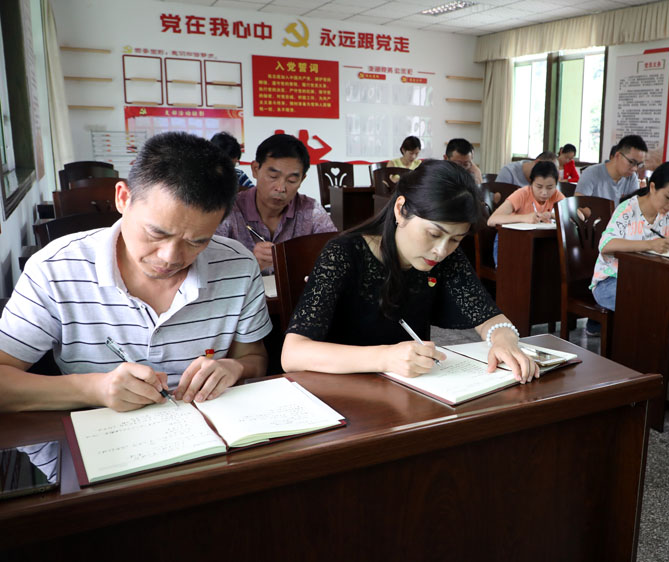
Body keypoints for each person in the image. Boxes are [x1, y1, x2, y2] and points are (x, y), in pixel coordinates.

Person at [0, 132, 271, 412]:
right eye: (156, 233)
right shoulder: (54, 269)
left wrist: (234, 367)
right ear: (123, 198)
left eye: (196, 242)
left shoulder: (238, 266)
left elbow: (254, 358)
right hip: (98, 430)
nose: (170, 257)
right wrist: (94, 389)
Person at [281, 159, 538, 382]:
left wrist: (504, 340)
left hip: (410, 390)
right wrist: (385, 358)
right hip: (341, 392)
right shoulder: (342, 253)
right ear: (401, 209)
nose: (441, 250)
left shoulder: (446, 257)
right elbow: (292, 354)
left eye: (455, 239)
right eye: (434, 234)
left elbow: (489, 316)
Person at [589, 162, 669, 411]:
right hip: (611, 282)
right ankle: (650, 379)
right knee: (656, 310)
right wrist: (649, 244)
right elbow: (606, 245)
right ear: (652, 187)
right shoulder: (628, 209)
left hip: (651, 284)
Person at [215, 133, 337, 274]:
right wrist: (249, 263)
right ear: (255, 169)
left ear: (302, 180)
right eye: (273, 176)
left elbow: (336, 256)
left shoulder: (311, 211)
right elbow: (208, 266)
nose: (281, 188)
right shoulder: (228, 210)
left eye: (291, 180)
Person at [487, 161, 564, 264]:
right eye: (539, 187)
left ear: (556, 185)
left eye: (550, 187)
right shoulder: (522, 193)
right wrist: (524, 218)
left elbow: (576, 217)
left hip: (536, 244)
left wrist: (553, 215)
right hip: (510, 242)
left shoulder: (556, 195)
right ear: (531, 183)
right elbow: (492, 220)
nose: (544, 192)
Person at [576, 135, 647, 202]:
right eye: (631, 162)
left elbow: (633, 207)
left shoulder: (631, 178)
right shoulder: (591, 173)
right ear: (618, 156)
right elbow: (579, 205)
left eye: (639, 164)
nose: (635, 168)